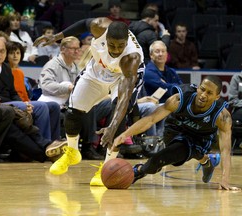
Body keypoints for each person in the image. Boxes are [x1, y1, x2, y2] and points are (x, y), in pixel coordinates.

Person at [34, 18, 144, 185]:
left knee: (118, 116)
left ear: (126, 42)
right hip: (98, 70)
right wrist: (56, 36)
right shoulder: (99, 26)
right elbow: (83, 23)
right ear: (105, 37)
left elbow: (124, 98)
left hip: (122, 76)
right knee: (73, 111)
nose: (115, 50)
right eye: (111, 45)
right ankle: (72, 152)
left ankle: (108, 167)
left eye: (120, 46)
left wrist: (112, 127)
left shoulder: (132, 57)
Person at [112, 76, 241, 191]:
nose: (203, 95)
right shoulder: (179, 99)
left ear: (217, 97)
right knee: (175, 153)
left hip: (199, 138)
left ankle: (137, 171)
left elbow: (225, 149)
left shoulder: (222, 116)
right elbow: (150, 119)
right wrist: (125, 134)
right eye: (202, 89)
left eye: (209, 93)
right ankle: (207, 161)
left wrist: (225, 179)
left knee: (162, 157)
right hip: (175, 128)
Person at [0, 38, 61, 143]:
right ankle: (46, 144)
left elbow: (13, 92)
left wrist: (24, 103)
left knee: (54, 106)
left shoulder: (6, 68)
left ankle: (56, 142)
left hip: (13, 102)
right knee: (41, 106)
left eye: (2, 51)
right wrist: (23, 105)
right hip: (1, 104)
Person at [37, 36, 107, 160]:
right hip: (56, 104)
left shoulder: (76, 67)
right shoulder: (52, 65)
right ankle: (87, 147)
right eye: (73, 48)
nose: (77, 51)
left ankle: (105, 145)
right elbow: (46, 85)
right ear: (62, 49)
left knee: (102, 104)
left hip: (70, 103)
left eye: (78, 48)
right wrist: (68, 88)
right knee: (85, 108)